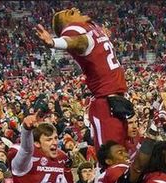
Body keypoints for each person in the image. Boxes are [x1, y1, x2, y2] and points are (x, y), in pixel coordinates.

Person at [34, 8, 131, 149]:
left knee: (123, 152)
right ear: (67, 24)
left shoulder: (92, 28)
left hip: (117, 100)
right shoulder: (74, 30)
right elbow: (78, 42)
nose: (74, 9)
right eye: (70, 13)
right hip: (106, 103)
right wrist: (54, 43)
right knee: (112, 154)